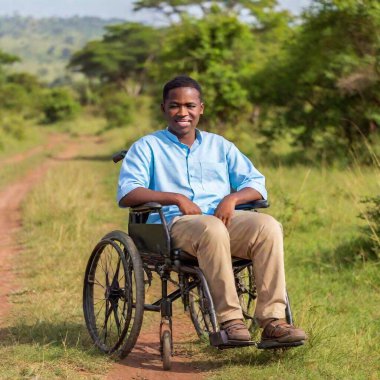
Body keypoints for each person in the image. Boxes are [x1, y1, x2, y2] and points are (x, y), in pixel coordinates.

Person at [117, 75, 307, 345]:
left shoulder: (221, 146)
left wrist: (232, 199)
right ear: (163, 109)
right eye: (175, 106)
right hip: (176, 225)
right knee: (212, 228)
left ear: (201, 108)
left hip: (221, 219)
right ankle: (231, 321)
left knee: (268, 226)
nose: (183, 112)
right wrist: (175, 197)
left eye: (190, 106)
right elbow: (128, 193)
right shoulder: (147, 147)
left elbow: (256, 184)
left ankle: (273, 321)